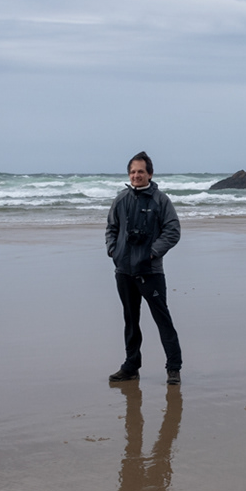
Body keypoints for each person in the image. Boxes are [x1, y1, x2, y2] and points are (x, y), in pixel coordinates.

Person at [105, 151, 182, 384]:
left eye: (140, 171)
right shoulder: (121, 199)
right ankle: (131, 366)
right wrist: (113, 251)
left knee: (163, 319)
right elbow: (111, 228)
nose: (136, 175)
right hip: (124, 271)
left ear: (150, 173)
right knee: (130, 319)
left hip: (150, 272)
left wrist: (152, 252)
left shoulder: (161, 200)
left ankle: (174, 368)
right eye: (132, 172)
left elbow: (173, 231)